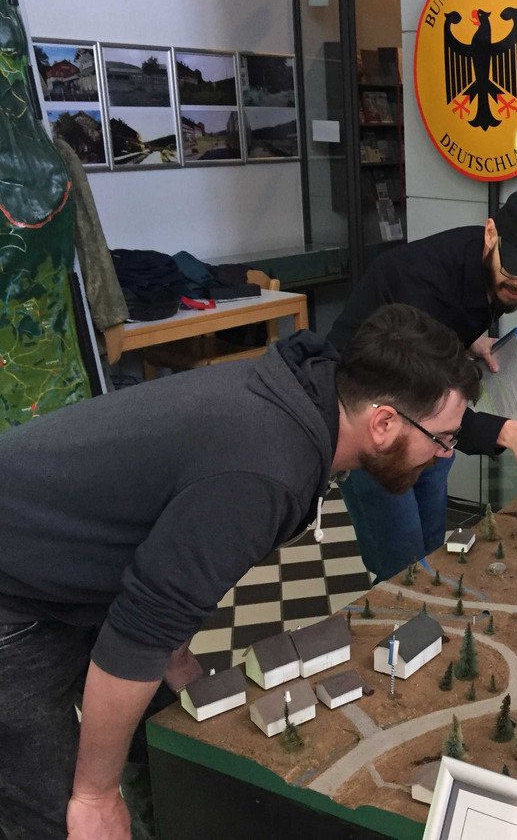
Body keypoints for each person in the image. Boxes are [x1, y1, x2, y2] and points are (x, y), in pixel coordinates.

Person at [0, 303, 480, 839]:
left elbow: (174, 564)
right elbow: (138, 634)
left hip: (70, 567)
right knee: (61, 816)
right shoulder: (265, 470)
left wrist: (174, 653)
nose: (444, 455)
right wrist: (96, 796)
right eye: (442, 438)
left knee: (172, 746)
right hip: (14, 593)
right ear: (384, 423)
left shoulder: (305, 395)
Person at [327, 186, 517, 581]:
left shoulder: (480, 266)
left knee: (430, 551)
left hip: (429, 430)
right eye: (514, 272)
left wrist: (468, 340)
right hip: (376, 430)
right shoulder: (424, 282)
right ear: (490, 234)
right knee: (402, 568)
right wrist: (509, 433)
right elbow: (415, 398)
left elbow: (433, 334)